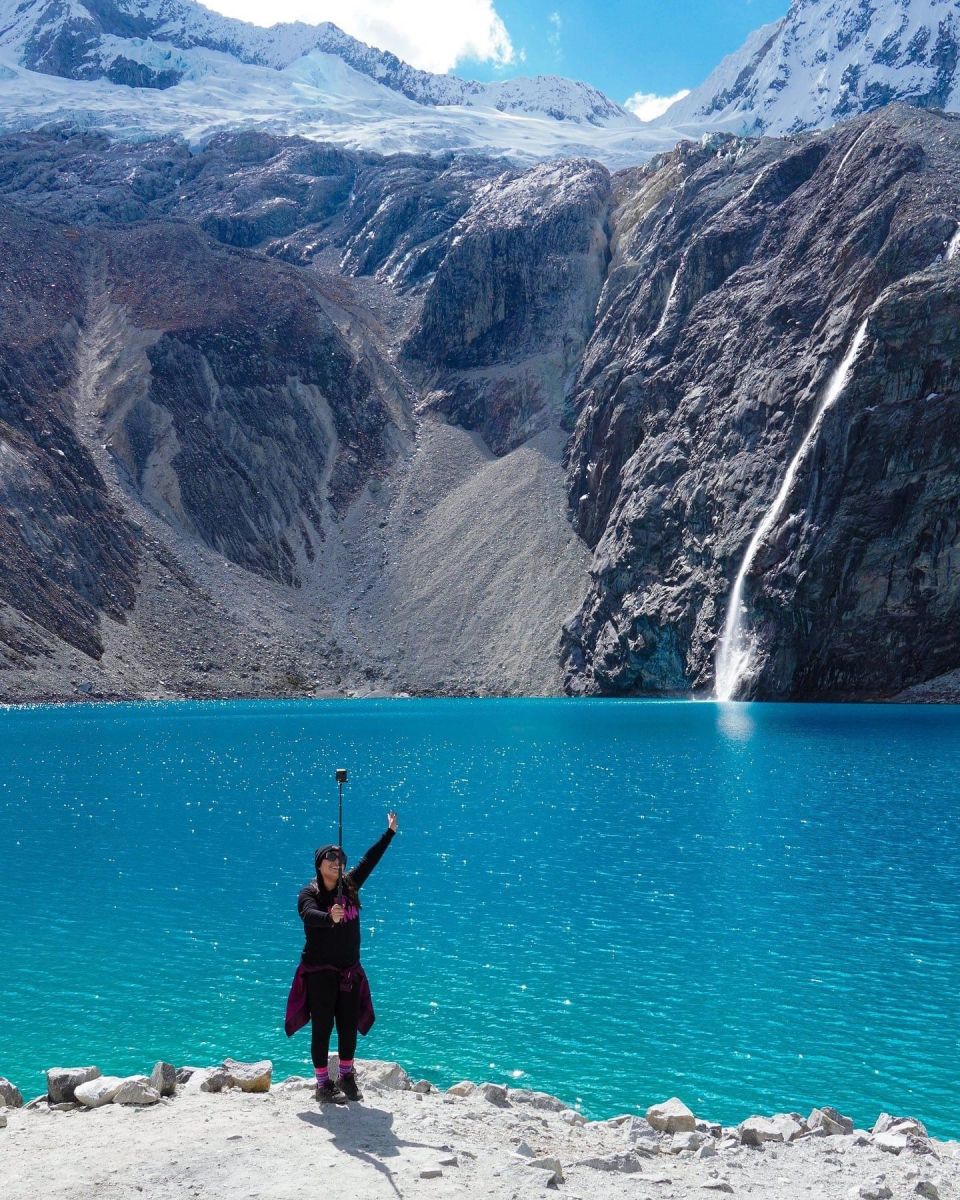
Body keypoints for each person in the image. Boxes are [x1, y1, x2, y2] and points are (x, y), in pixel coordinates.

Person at [285, 811, 398, 1104]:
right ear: (319, 863)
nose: (338, 862)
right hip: (320, 971)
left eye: (341, 859)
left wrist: (389, 833)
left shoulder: (349, 886)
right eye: (331, 858)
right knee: (322, 1026)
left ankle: (346, 1075)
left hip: (349, 970)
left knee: (348, 1025)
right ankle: (323, 1084)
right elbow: (308, 914)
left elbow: (369, 861)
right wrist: (328, 917)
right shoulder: (308, 893)